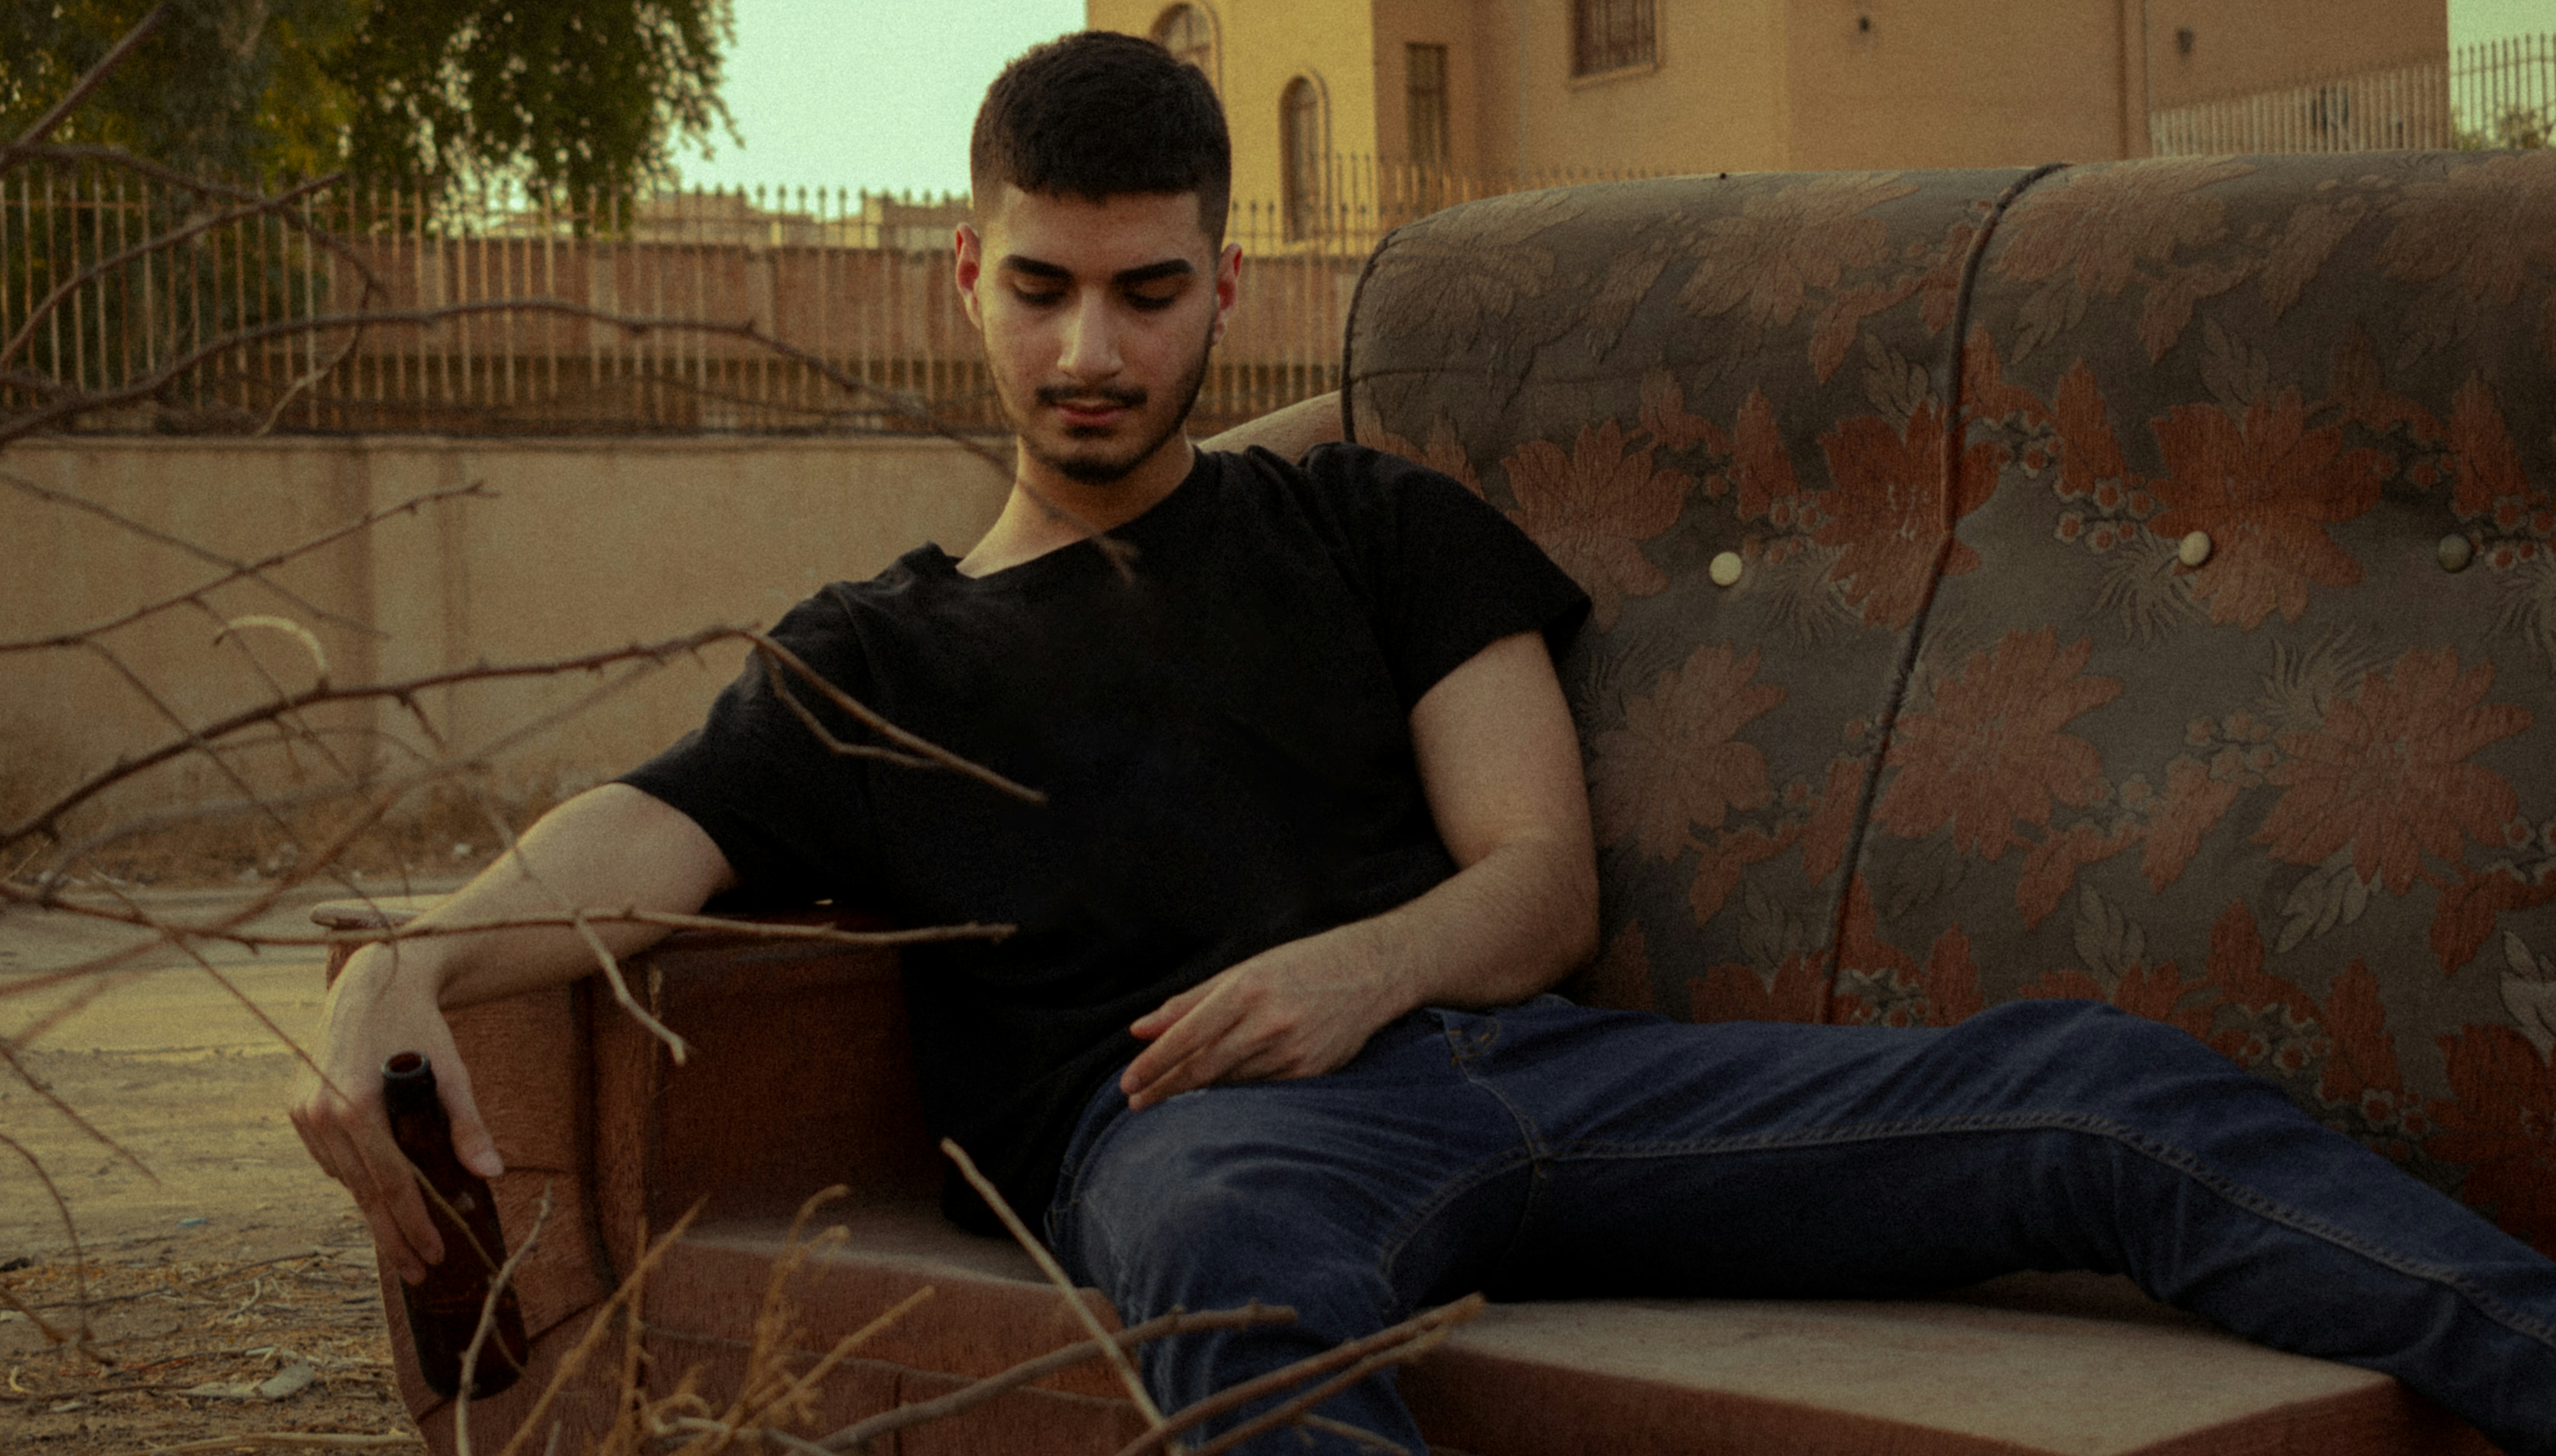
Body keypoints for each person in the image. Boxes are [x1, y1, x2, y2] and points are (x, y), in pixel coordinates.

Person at [290, 30, 2556, 1456]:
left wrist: (1365, 969)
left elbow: (1535, 887)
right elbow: (643, 838)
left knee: (2101, 1090)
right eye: (1044, 284)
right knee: (1243, 1289)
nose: (1095, 346)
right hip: (1177, 1136)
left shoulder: (1368, 522)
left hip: (1543, 1082)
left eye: (1150, 289)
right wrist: (412, 952)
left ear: (1224, 291)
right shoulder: (868, 659)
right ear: (959, 284)